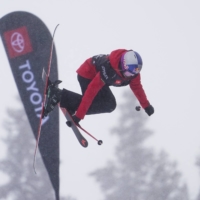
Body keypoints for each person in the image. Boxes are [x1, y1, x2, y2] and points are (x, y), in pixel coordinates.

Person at [44, 49, 154, 124]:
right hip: (87, 74)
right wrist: (79, 116)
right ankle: (59, 95)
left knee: (109, 105)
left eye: (133, 74)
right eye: (128, 73)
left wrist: (146, 105)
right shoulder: (109, 70)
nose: (130, 77)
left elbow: (137, 88)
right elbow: (91, 92)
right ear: (123, 65)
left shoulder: (133, 73)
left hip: (100, 79)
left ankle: (70, 102)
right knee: (107, 104)